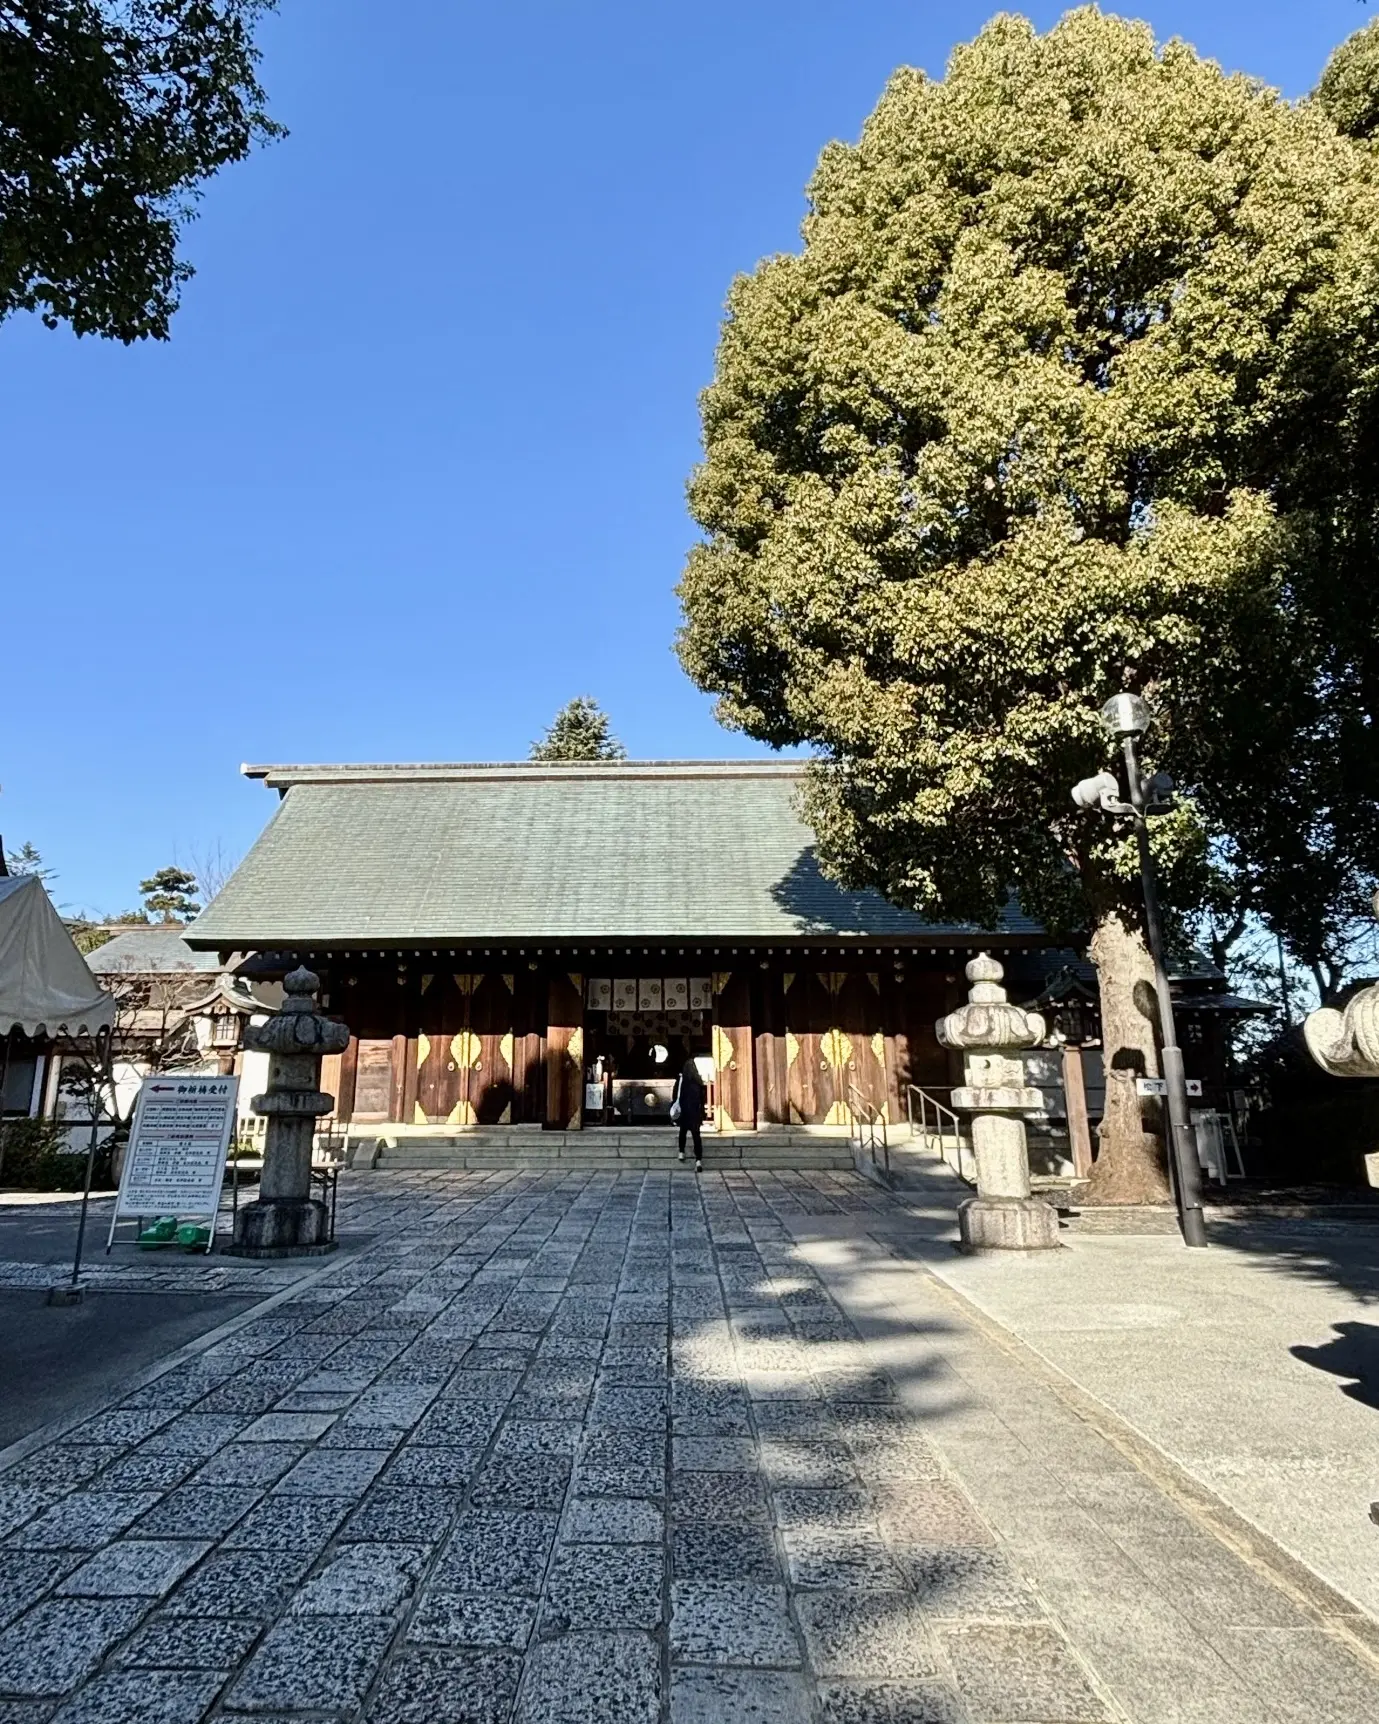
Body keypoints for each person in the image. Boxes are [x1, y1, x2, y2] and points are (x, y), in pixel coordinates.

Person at [675, 1051, 707, 1170]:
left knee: (682, 1132)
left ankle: (681, 1152)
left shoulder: (681, 1081)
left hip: (684, 1112)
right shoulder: (698, 1083)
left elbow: (675, 1096)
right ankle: (698, 1160)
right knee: (696, 1136)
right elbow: (702, 1100)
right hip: (695, 1112)